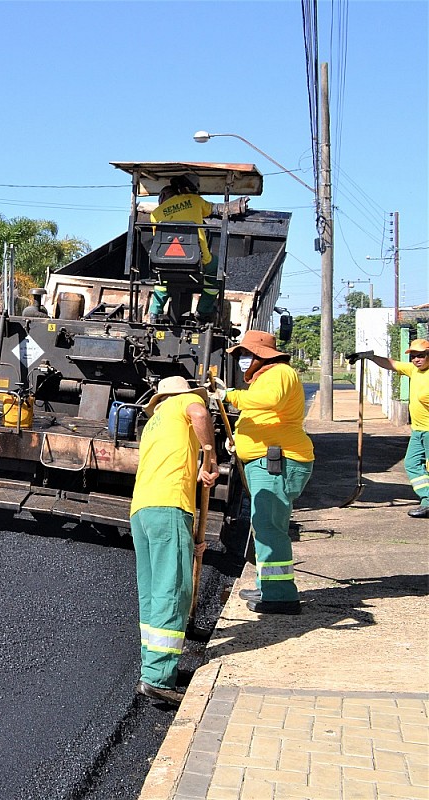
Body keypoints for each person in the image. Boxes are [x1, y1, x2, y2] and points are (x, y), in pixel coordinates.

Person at [130, 376, 218, 707]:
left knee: (153, 591)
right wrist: (211, 456)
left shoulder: (154, 422)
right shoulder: (184, 403)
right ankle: (157, 678)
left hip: (142, 509)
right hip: (169, 507)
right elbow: (200, 414)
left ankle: (152, 665)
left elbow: (171, 462)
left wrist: (198, 470)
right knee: (173, 588)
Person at [214, 329, 315, 615]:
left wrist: (229, 395)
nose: (242, 360)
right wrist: (238, 439)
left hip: (278, 461)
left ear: (261, 355)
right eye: (241, 355)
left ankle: (281, 596)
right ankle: (268, 586)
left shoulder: (279, 373)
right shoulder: (265, 378)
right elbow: (259, 414)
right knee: (263, 524)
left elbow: (267, 402)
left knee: (270, 526)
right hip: (268, 460)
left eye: (246, 354)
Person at [148, 173, 249, 325]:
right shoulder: (195, 200)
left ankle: (154, 313)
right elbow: (215, 209)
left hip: (164, 261)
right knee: (216, 270)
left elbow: (159, 239)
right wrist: (237, 206)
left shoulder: (155, 214)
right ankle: (203, 312)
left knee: (162, 279)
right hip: (196, 259)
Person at [348, 338, 429, 517]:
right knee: (412, 463)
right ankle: (427, 498)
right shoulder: (414, 370)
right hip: (418, 430)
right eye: (414, 356)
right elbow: (391, 364)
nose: (416, 359)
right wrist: (369, 357)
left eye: (421, 356)